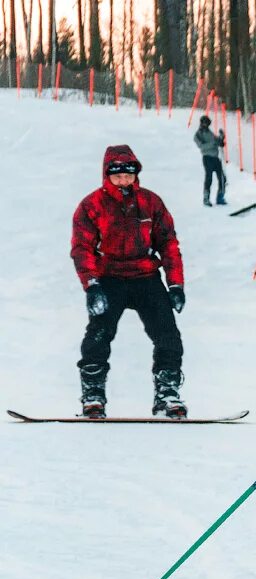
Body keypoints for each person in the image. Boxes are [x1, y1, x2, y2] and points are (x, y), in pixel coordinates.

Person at [71, 145, 188, 419]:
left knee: (168, 335)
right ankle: (93, 396)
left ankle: (167, 393)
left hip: (146, 278)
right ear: (106, 175)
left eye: (129, 175)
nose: (123, 180)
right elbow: (81, 248)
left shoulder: (151, 202)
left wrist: (175, 285)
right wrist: (92, 285)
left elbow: (168, 244)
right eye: (117, 175)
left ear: (136, 174)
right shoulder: (92, 205)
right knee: (98, 335)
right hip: (109, 279)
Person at [193, 115, 226, 206]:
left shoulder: (209, 132)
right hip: (207, 158)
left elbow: (218, 142)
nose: (206, 125)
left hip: (215, 158)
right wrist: (213, 143)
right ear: (202, 123)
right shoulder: (198, 134)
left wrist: (221, 138)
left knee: (222, 178)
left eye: (208, 123)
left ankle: (220, 197)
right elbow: (202, 146)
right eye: (205, 123)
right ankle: (206, 198)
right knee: (209, 178)